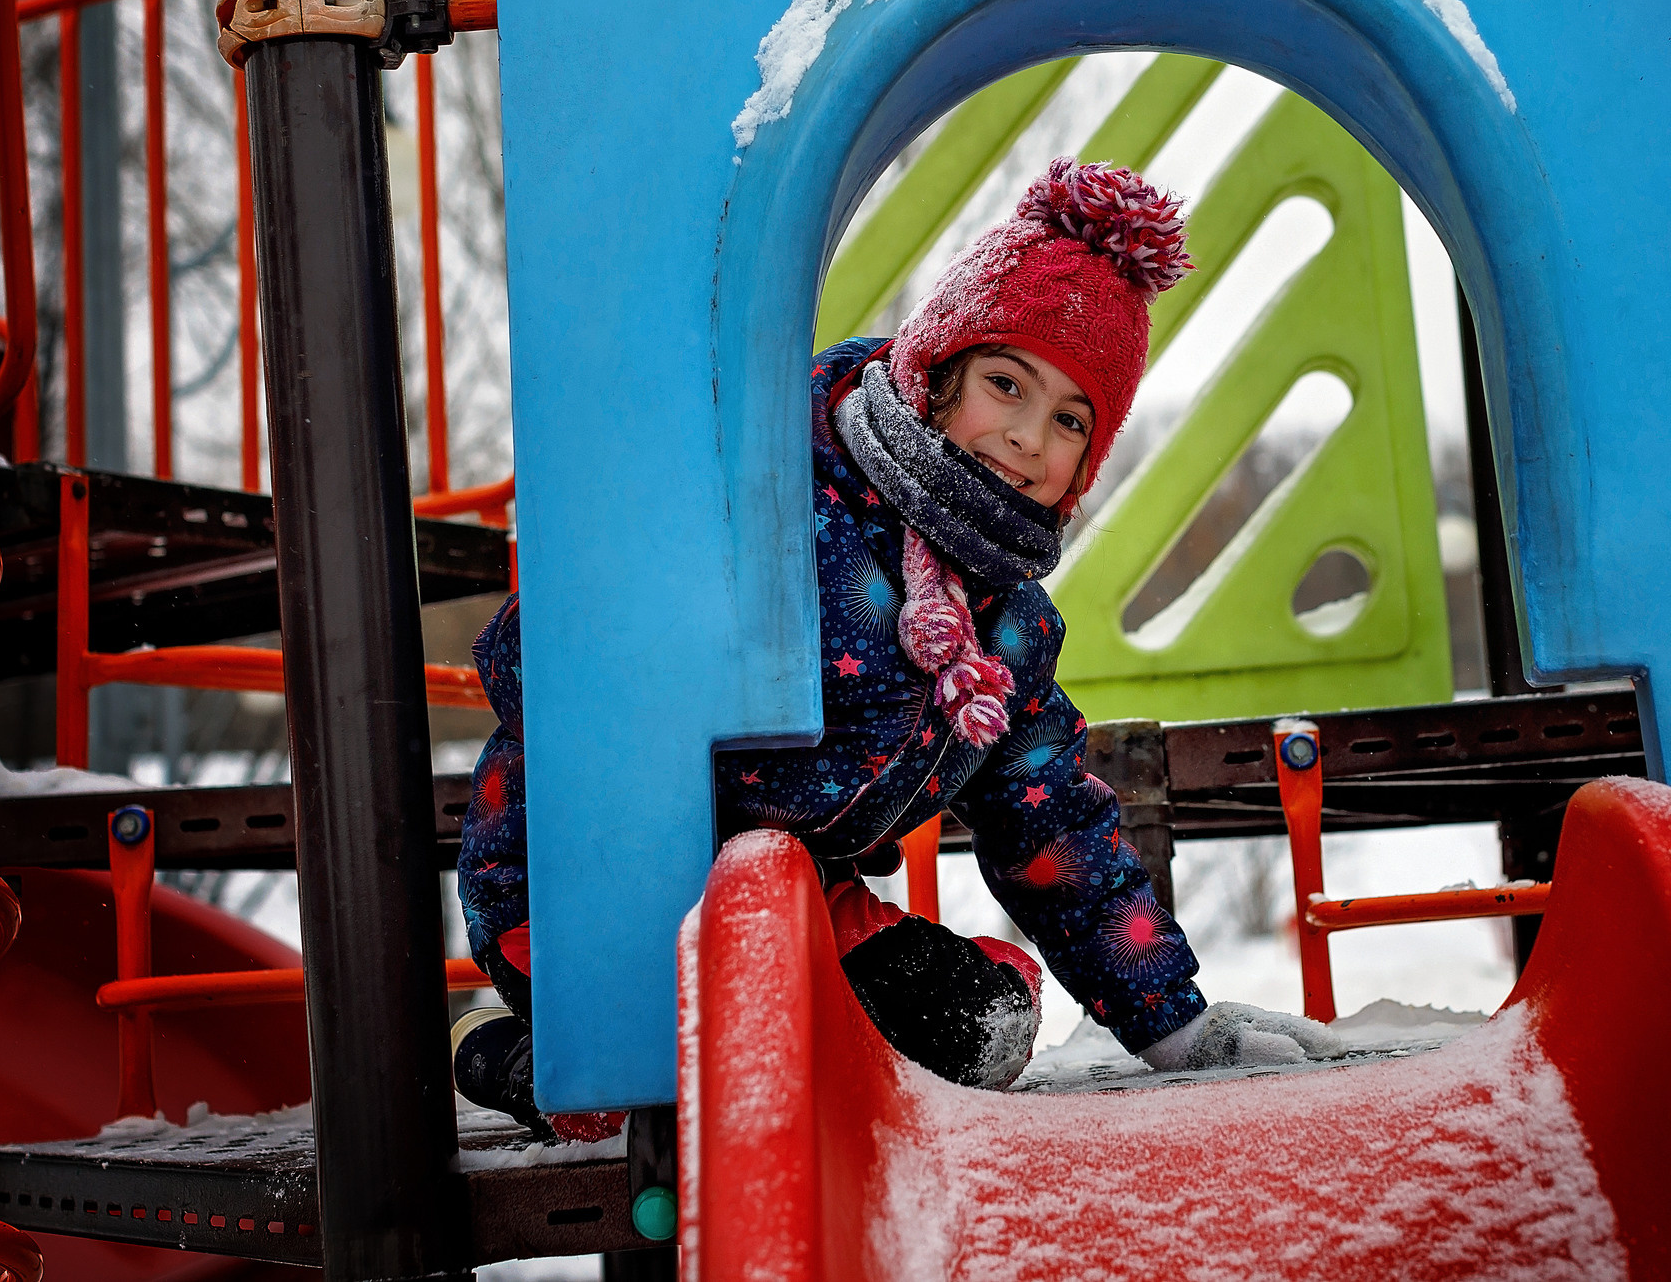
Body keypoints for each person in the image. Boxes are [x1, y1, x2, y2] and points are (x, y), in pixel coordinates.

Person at [452, 159, 1340, 1138]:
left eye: (1069, 420)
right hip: (586, 878)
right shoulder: (778, 496)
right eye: (1006, 383)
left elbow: (1052, 832)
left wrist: (1176, 1025)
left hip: (796, 905)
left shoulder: (1005, 631)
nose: (1027, 436)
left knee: (984, 1023)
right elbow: (548, 661)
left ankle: (669, 1046)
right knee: (644, 1074)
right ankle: (534, 1056)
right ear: (935, 370)